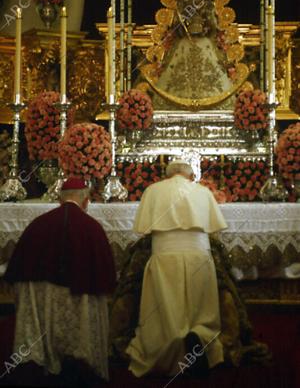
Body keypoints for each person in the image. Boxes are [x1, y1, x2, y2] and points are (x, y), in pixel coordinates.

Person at [4, 177, 116, 385]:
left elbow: (20, 265)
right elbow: (104, 272)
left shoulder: (38, 224)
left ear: (59, 200)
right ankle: (79, 361)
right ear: (85, 201)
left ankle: (43, 360)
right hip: (78, 295)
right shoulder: (92, 227)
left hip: (40, 295)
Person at [125, 159, 228, 377]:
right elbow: (215, 229)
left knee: (166, 305)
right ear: (191, 176)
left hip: (165, 256)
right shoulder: (202, 191)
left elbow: (143, 230)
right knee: (200, 305)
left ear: (167, 176)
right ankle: (201, 336)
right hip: (198, 256)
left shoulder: (153, 191)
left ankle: (168, 343)